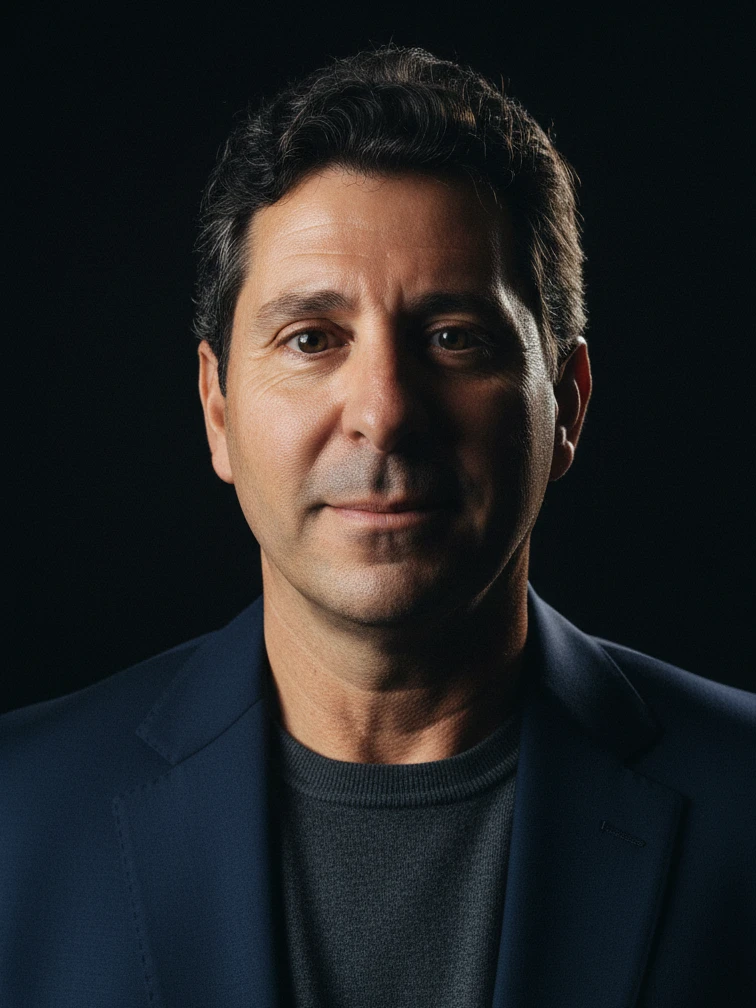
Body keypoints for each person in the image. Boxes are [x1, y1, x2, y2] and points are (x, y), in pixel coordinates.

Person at [1, 45, 754, 1008]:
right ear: (217, 409)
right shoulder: (18, 816)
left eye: (454, 338)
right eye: (311, 339)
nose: (386, 411)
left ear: (566, 403)